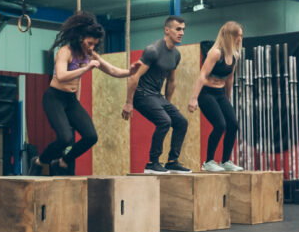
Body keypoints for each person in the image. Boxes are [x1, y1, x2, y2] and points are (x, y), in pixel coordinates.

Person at [32, 12, 140, 176]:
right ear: (80, 38)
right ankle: (40, 161)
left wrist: (129, 72)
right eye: (89, 43)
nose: (91, 47)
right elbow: (61, 76)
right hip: (54, 97)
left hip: (70, 100)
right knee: (65, 138)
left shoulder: (89, 55)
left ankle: (62, 162)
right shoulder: (65, 52)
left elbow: (111, 70)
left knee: (91, 136)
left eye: (94, 45)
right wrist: (86, 68)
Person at [122, 15, 191, 175]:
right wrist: (128, 102)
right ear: (167, 30)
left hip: (157, 96)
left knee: (181, 122)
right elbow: (135, 77)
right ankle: (152, 163)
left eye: (183, 30)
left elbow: (171, 81)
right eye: (178, 29)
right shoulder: (153, 50)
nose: (181, 33)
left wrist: (168, 103)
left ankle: (172, 162)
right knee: (164, 121)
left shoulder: (176, 54)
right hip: (141, 94)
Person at [188, 21, 244, 172]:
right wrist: (194, 98)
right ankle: (208, 162)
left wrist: (227, 98)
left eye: (241, 35)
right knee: (220, 125)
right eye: (237, 35)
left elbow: (230, 78)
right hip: (206, 93)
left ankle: (225, 161)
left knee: (233, 124)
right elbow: (202, 75)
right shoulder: (215, 53)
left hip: (220, 94)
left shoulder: (235, 55)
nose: (240, 38)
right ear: (229, 36)